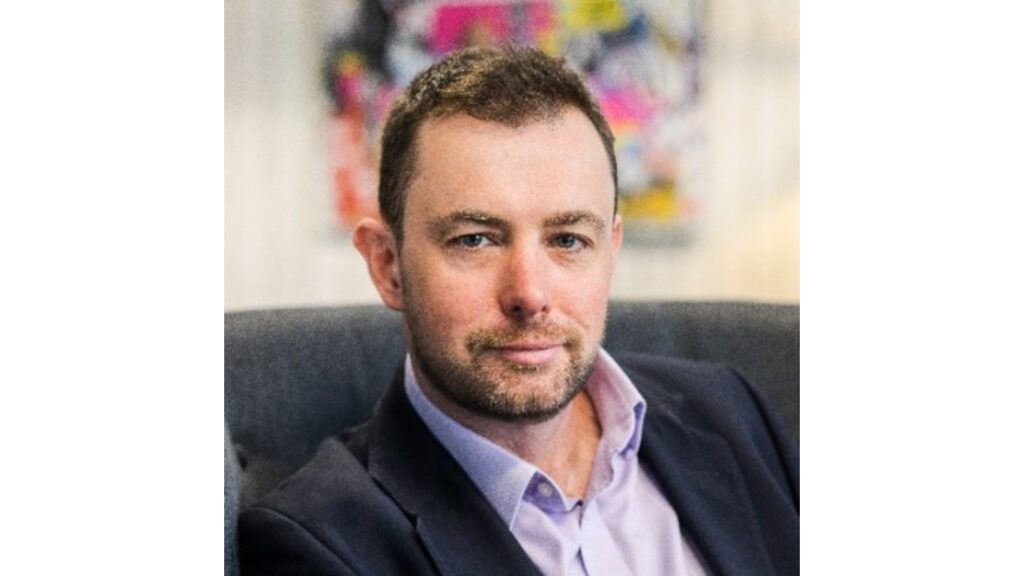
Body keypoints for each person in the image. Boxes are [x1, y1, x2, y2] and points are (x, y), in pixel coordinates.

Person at [238, 45, 798, 575]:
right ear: (388, 266)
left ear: (610, 252)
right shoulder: (320, 542)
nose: (529, 294)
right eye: (475, 240)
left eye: (568, 240)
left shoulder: (728, 410)